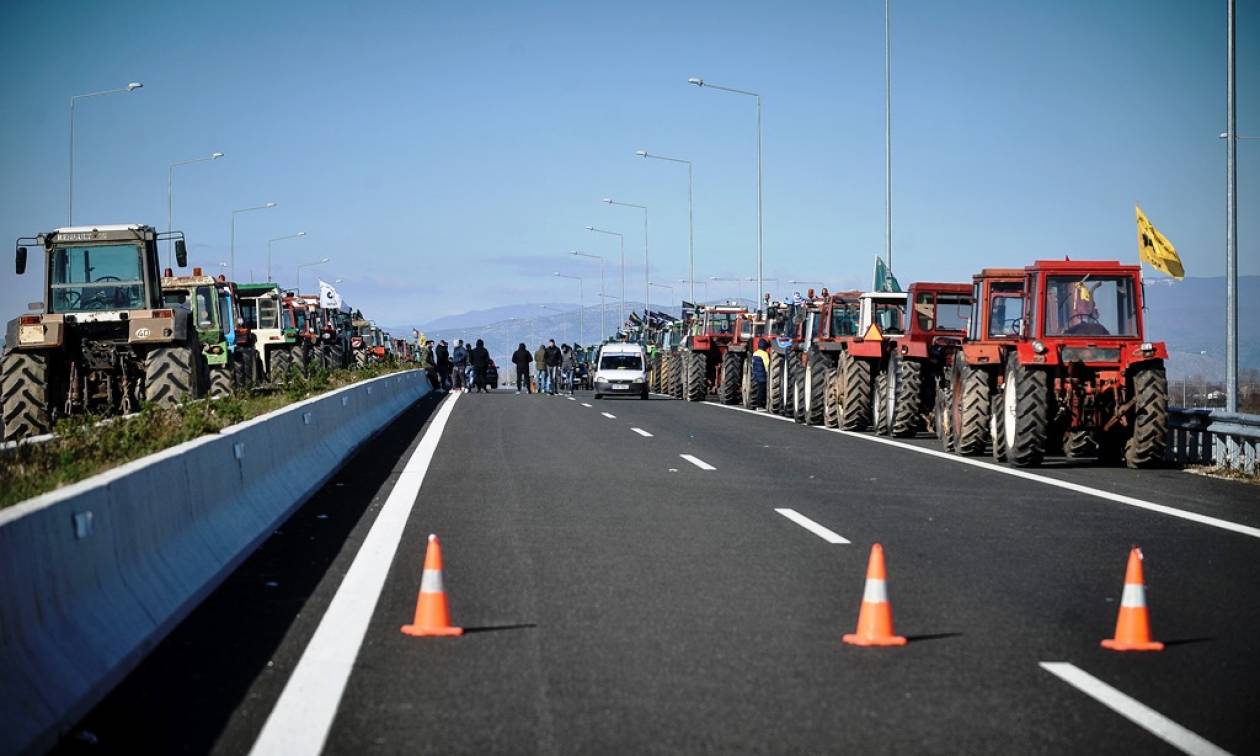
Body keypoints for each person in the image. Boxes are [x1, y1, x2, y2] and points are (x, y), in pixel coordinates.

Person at [752, 338, 770, 409]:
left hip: (756, 373)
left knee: (758, 389)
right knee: (762, 390)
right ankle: (759, 406)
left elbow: (752, 364)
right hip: (762, 375)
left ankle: (758, 405)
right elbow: (767, 365)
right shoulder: (765, 354)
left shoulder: (755, 353)